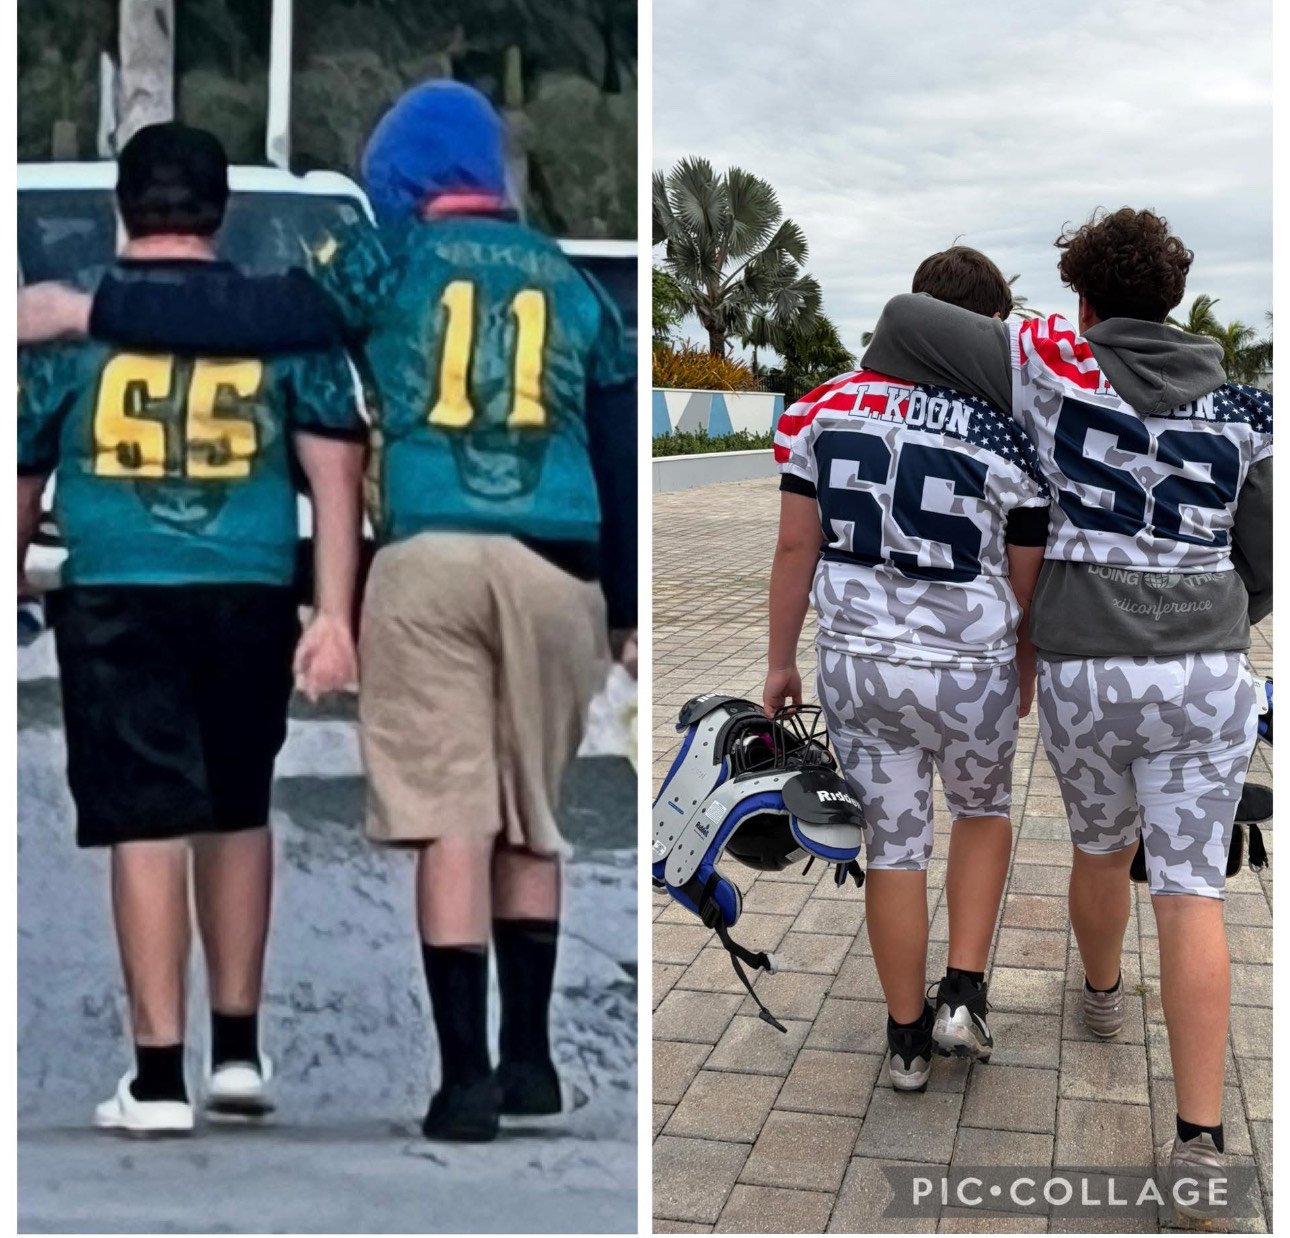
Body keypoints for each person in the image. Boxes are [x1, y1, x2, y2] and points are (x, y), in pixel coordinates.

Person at [29, 81, 639, 1143]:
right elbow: (618, 447)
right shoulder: (574, 280)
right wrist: (624, 609)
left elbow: (248, 318)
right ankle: (529, 1061)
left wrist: (88, 310)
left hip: (424, 554)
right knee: (528, 814)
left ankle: (458, 1083)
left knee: (450, 814)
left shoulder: (382, 260)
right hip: (557, 559)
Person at [862, 208, 1271, 1211]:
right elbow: (1264, 560)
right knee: (1192, 891)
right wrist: (1216, 614)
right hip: (1207, 673)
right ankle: (1201, 1145)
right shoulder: (1245, 407)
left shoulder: (1049, 362)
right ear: (1175, 298)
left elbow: (904, 320)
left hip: (1088, 672)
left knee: (1100, 848)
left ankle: (1101, 994)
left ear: (1083, 300)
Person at [16, 122, 367, 1135]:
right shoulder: (275, 320)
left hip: (119, 586)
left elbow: (21, 475)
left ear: (123, 208)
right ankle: (240, 1054)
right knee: (238, 807)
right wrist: (333, 611)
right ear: (221, 211)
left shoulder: (72, 323)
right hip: (247, 586)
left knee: (145, 820)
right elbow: (336, 470)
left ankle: (160, 1077)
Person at [766, 246, 1049, 1091]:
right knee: (982, 812)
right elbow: (1025, 577)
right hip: (970, 667)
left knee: (893, 846)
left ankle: (905, 1042)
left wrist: (779, 661)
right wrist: (1023, 662)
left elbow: (795, 547)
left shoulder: (820, 409)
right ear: (987, 327)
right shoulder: (1008, 432)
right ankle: (962, 994)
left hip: (857, 664)